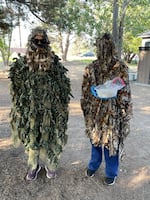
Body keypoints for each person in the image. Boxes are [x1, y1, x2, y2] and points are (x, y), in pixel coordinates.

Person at [9, 27, 71, 181]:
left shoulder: (54, 61)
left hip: (50, 107)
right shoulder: (23, 62)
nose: (39, 43)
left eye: (42, 41)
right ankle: (33, 166)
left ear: (46, 42)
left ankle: (51, 165)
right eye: (36, 40)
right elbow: (16, 86)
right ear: (31, 41)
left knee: (50, 136)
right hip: (30, 108)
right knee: (32, 137)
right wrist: (19, 106)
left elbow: (63, 83)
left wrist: (62, 105)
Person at [80, 33, 132, 185]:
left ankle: (111, 172)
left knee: (111, 141)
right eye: (101, 46)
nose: (104, 49)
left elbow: (125, 90)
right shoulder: (91, 68)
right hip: (95, 111)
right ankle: (93, 165)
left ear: (112, 47)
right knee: (95, 139)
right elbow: (85, 90)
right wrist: (88, 101)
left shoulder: (120, 67)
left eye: (107, 46)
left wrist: (124, 111)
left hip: (112, 110)